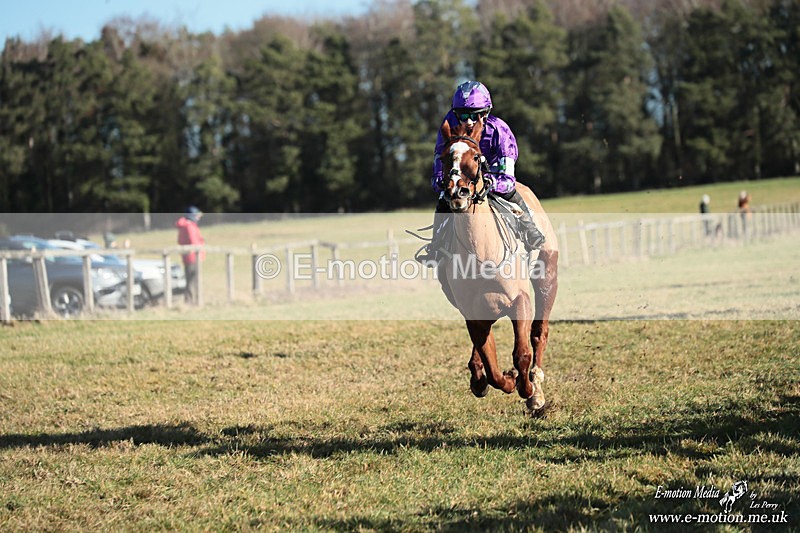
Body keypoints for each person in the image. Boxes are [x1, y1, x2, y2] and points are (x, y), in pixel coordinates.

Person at [418, 80, 544, 263]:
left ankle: (530, 229)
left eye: (474, 115)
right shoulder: (448, 126)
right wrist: (440, 180)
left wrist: (490, 182)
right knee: (443, 200)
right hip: (462, 176)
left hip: (494, 174)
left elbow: (508, 179)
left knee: (510, 192)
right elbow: (440, 158)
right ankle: (436, 245)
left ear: (486, 113)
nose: (468, 122)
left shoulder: (500, 130)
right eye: (462, 115)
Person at [176, 206, 205, 305]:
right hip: (193, 257)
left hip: (187, 257)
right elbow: (194, 242)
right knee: (193, 281)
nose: (198, 217)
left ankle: (190, 301)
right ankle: (192, 302)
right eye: (196, 215)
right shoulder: (190, 226)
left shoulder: (184, 226)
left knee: (190, 280)